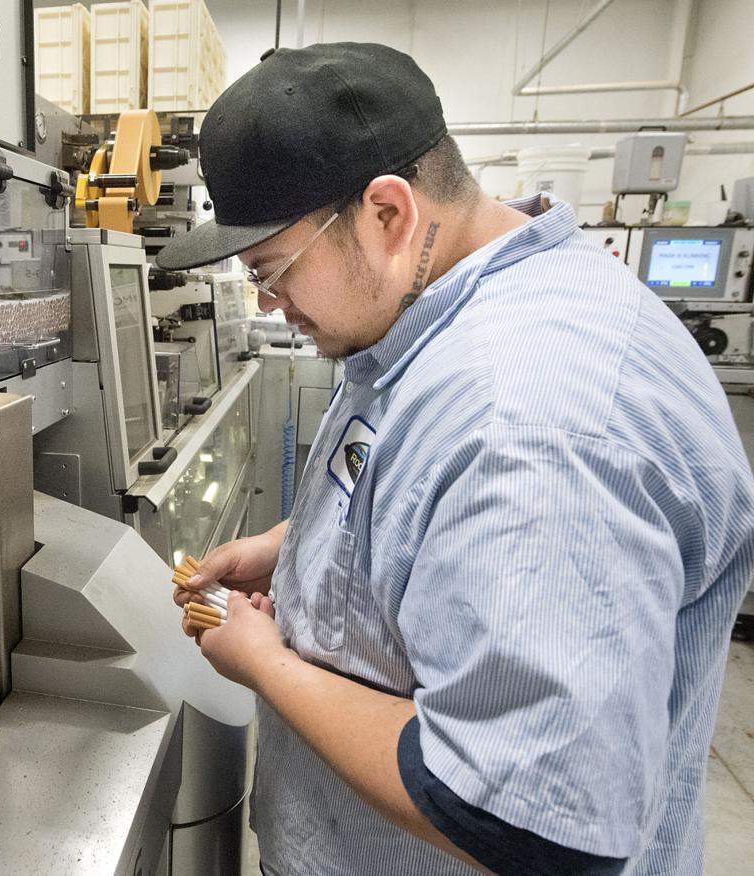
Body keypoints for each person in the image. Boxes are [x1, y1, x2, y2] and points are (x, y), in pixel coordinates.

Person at [156, 42, 754, 876]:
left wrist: (266, 664)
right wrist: (295, 546)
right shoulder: (442, 311)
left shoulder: (534, 421)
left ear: (389, 214)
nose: (271, 303)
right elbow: (416, 483)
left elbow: (523, 821)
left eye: (273, 269)